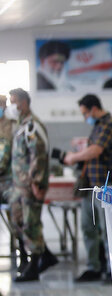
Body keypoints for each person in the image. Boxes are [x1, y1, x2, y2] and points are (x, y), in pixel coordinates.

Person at [63, 94, 112, 282]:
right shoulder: (97, 126)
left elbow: (96, 150)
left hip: (106, 185)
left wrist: (74, 157)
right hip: (91, 186)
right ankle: (94, 267)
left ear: (94, 109)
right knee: (88, 227)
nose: (85, 118)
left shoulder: (110, 124)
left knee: (107, 231)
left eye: (85, 113)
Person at [7, 88, 58, 282]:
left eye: (14, 102)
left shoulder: (33, 127)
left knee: (31, 224)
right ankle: (46, 256)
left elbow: (39, 155)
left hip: (30, 185)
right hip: (18, 185)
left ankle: (34, 266)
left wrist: (37, 182)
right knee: (18, 222)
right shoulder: (21, 125)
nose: (12, 107)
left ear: (24, 103)